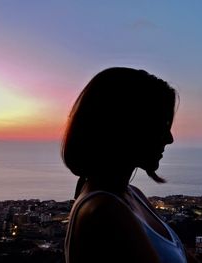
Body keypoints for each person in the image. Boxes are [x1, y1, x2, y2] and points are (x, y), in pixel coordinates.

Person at [62, 67, 187, 263]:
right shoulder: (105, 210)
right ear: (128, 126)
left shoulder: (133, 194)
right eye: (161, 126)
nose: (169, 139)